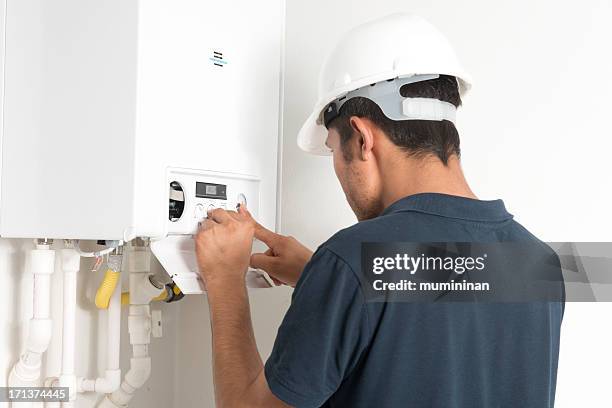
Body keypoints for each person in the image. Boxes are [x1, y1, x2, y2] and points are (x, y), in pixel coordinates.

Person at [195, 14, 563, 408]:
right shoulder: (539, 262)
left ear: (363, 137)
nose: (337, 168)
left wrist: (226, 283)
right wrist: (319, 276)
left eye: (334, 150)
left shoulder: (351, 261)